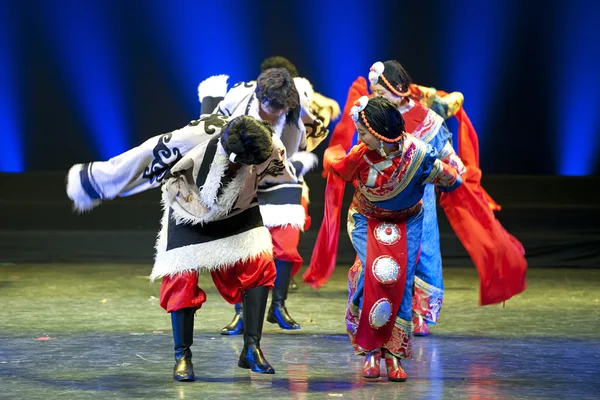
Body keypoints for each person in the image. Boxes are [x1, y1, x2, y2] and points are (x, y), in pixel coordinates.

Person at [65, 114, 316, 381]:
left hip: (239, 208)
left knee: (260, 264)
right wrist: (94, 183)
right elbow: (145, 155)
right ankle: (182, 355)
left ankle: (251, 348)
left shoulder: (268, 144)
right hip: (189, 209)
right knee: (181, 277)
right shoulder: (193, 138)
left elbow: (282, 177)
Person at [305, 62, 527, 326]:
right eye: (373, 92)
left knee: (422, 252)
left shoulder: (426, 118)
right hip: (377, 202)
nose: (375, 97)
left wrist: (456, 171)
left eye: (380, 92)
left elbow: (447, 157)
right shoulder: (373, 114)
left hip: (417, 201)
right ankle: (370, 312)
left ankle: (418, 314)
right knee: (374, 258)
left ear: (398, 90)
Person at [319, 96, 462, 381]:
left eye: (363, 133)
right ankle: (371, 352)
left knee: (400, 282)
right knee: (378, 274)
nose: (358, 138)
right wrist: (330, 155)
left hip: (408, 222)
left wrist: (444, 172)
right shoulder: (360, 155)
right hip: (366, 220)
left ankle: (395, 356)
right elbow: (341, 168)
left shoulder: (419, 155)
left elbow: (452, 180)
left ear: (381, 135)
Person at [198, 67, 324, 334]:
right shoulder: (239, 98)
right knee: (243, 250)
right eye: (271, 107)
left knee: (287, 247)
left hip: (281, 179)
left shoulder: (294, 109)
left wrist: (299, 162)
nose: (277, 112)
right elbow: (211, 128)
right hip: (241, 180)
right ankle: (242, 312)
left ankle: (278, 306)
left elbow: (311, 138)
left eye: (281, 108)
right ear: (259, 96)